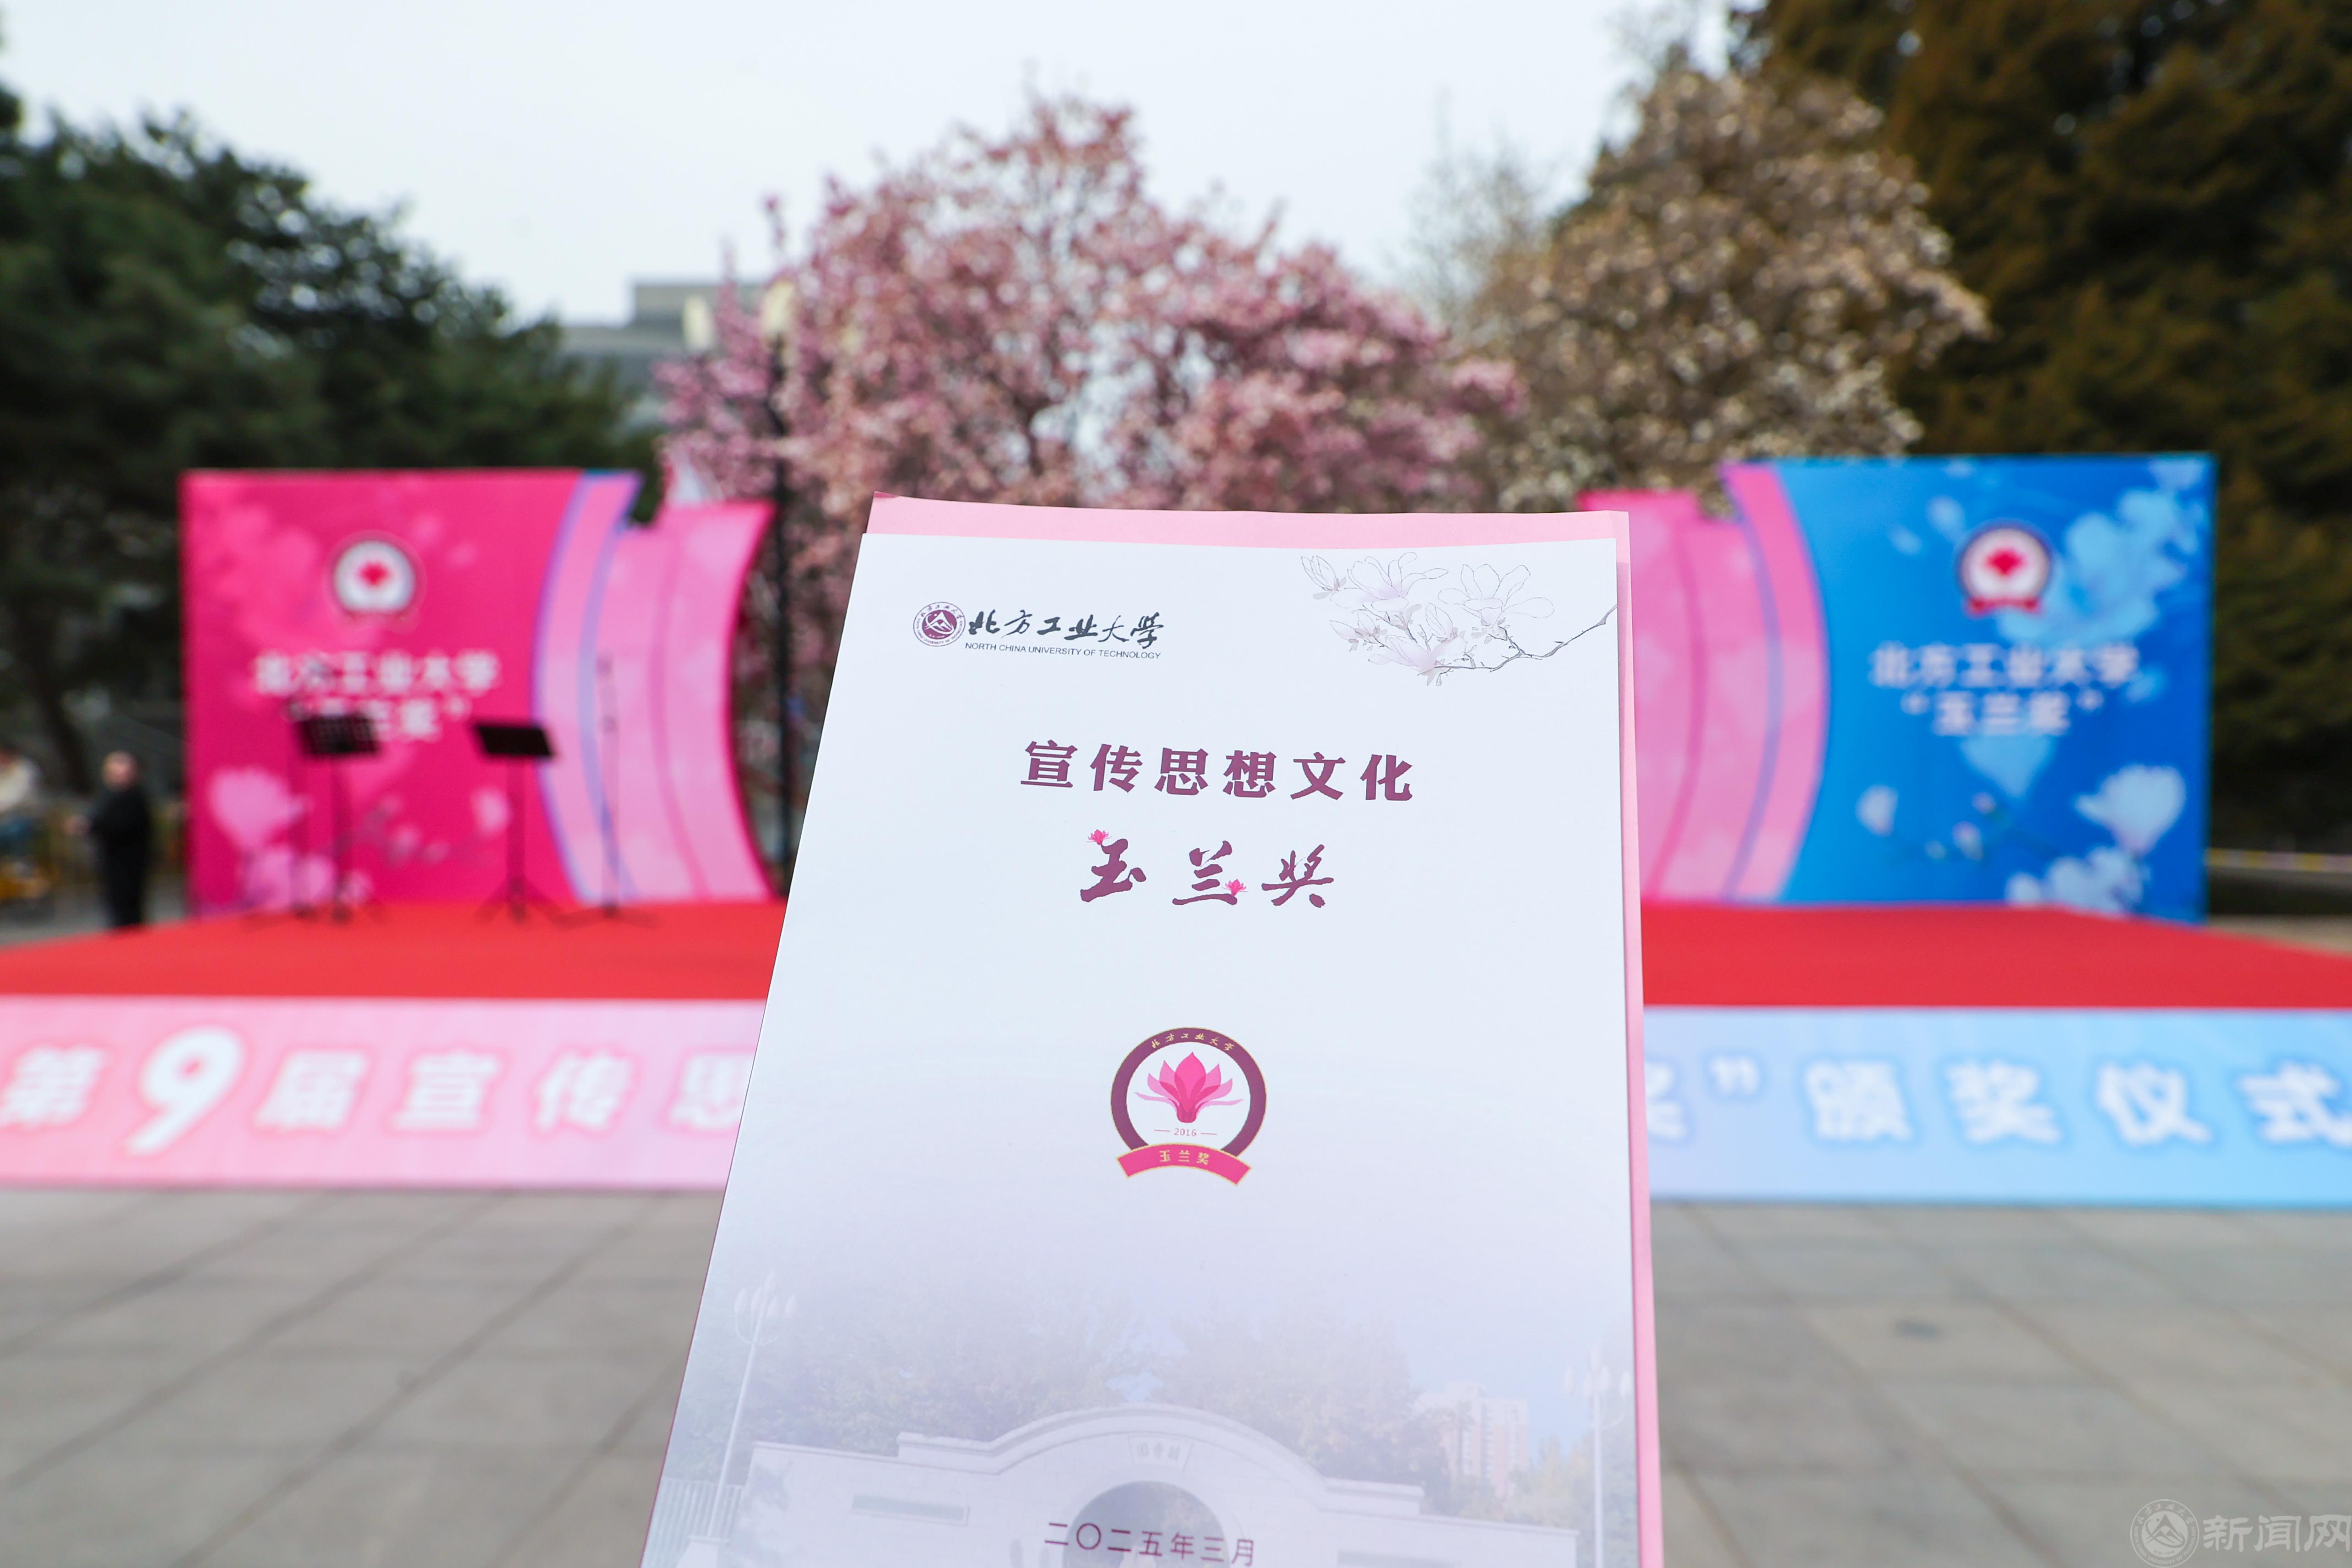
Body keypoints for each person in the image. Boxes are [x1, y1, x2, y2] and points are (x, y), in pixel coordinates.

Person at [72, 752, 153, 929]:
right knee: (116, 902)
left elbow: (121, 824)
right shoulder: (109, 796)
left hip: (130, 858)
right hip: (111, 857)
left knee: (129, 901)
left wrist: (90, 827)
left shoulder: (134, 798)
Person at [0, 743, 41, 865]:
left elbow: (19, 797)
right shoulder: (3, 770)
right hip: (4, 817)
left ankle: (20, 864)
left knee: (13, 830)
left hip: (24, 815)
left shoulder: (25, 770)